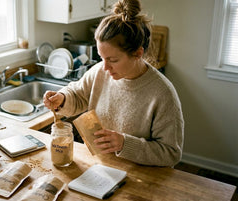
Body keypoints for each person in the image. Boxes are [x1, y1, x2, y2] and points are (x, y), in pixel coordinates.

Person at [43, 0, 184, 167]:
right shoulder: (100, 72)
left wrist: (125, 144)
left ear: (137, 53)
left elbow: (171, 153)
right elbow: (78, 94)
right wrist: (63, 98)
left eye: (113, 60)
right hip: (100, 167)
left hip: (141, 178)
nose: (105, 67)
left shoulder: (162, 93)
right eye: (102, 58)